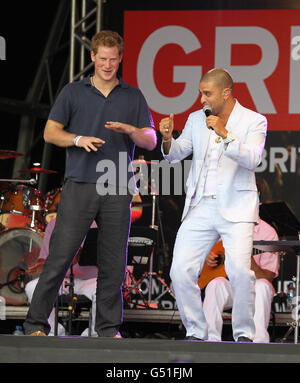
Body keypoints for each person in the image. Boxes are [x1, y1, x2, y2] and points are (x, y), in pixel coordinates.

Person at [23, 30, 156, 337]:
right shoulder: (73, 92)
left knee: (113, 262)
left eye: (113, 59)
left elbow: (149, 140)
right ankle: (34, 326)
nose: (108, 65)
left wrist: (130, 130)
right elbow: (50, 133)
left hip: (116, 187)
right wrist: (78, 139)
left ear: (120, 58)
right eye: (102, 59)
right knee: (59, 257)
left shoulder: (132, 95)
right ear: (92, 56)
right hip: (80, 184)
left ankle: (108, 330)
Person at [160, 68, 267, 342]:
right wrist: (168, 138)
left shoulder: (254, 120)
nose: (201, 99)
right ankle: (196, 331)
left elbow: (253, 159)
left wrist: (225, 133)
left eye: (207, 93)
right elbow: (175, 155)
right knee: (180, 270)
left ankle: (244, 335)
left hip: (237, 206)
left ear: (226, 92)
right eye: (200, 92)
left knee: (240, 272)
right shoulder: (197, 119)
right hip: (200, 205)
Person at [202, 218, 279, 343]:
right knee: (216, 283)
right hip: (232, 286)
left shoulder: (267, 232)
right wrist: (208, 256)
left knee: (262, 286)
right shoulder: (223, 225)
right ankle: (209, 338)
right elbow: (205, 248)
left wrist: (248, 260)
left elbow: (268, 276)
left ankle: (258, 340)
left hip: (254, 286)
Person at [25, 217, 98, 336]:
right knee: (32, 287)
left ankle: (95, 333)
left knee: (105, 290)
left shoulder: (99, 223)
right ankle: (53, 331)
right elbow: (45, 258)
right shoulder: (54, 224)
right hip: (62, 279)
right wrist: (40, 266)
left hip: (92, 279)